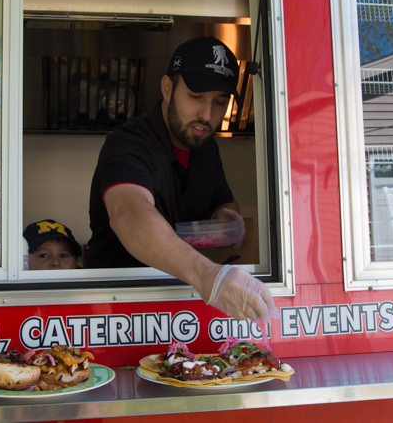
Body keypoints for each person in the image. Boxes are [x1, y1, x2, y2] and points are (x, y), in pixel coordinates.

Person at [87, 36, 278, 325]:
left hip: (185, 307)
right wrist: (207, 274)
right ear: (167, 88)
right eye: (196, 96)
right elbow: (129, 212)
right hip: (118, 308)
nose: (207, 114)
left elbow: (222, 200)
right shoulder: (128, 143)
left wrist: (224, 215)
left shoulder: (206, 148)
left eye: (220, 101)